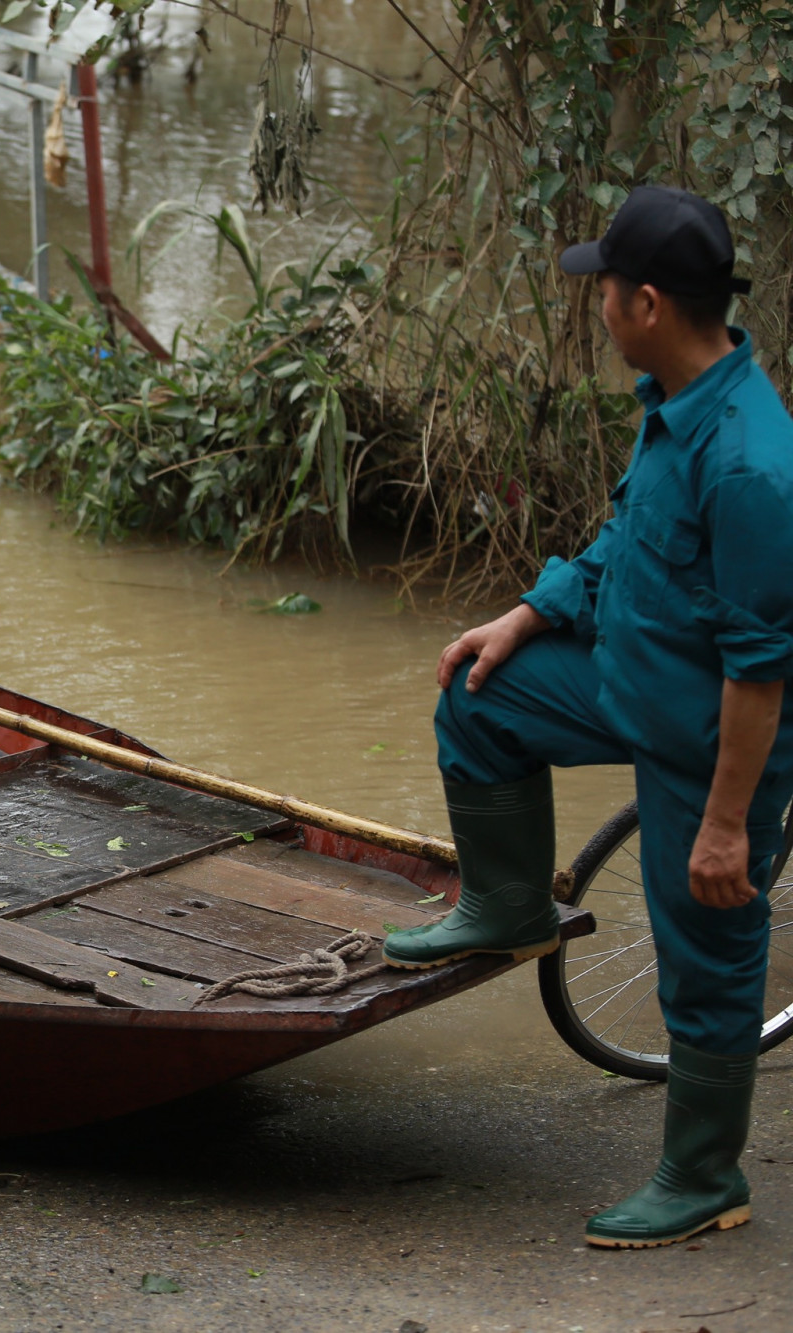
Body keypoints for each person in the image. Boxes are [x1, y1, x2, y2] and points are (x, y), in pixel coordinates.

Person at [383, 186, 793, 1249]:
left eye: (600, 290)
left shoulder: (748, 461)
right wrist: (524, 616)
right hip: (631, 677)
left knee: (701, 955)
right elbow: (623, 545)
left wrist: (723, 823)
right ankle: (507, 904)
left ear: (644, 303)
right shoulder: (673, 402)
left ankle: (702, 1177)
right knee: (479, 695)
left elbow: (759, 668)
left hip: (709, 741)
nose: (594, 306)